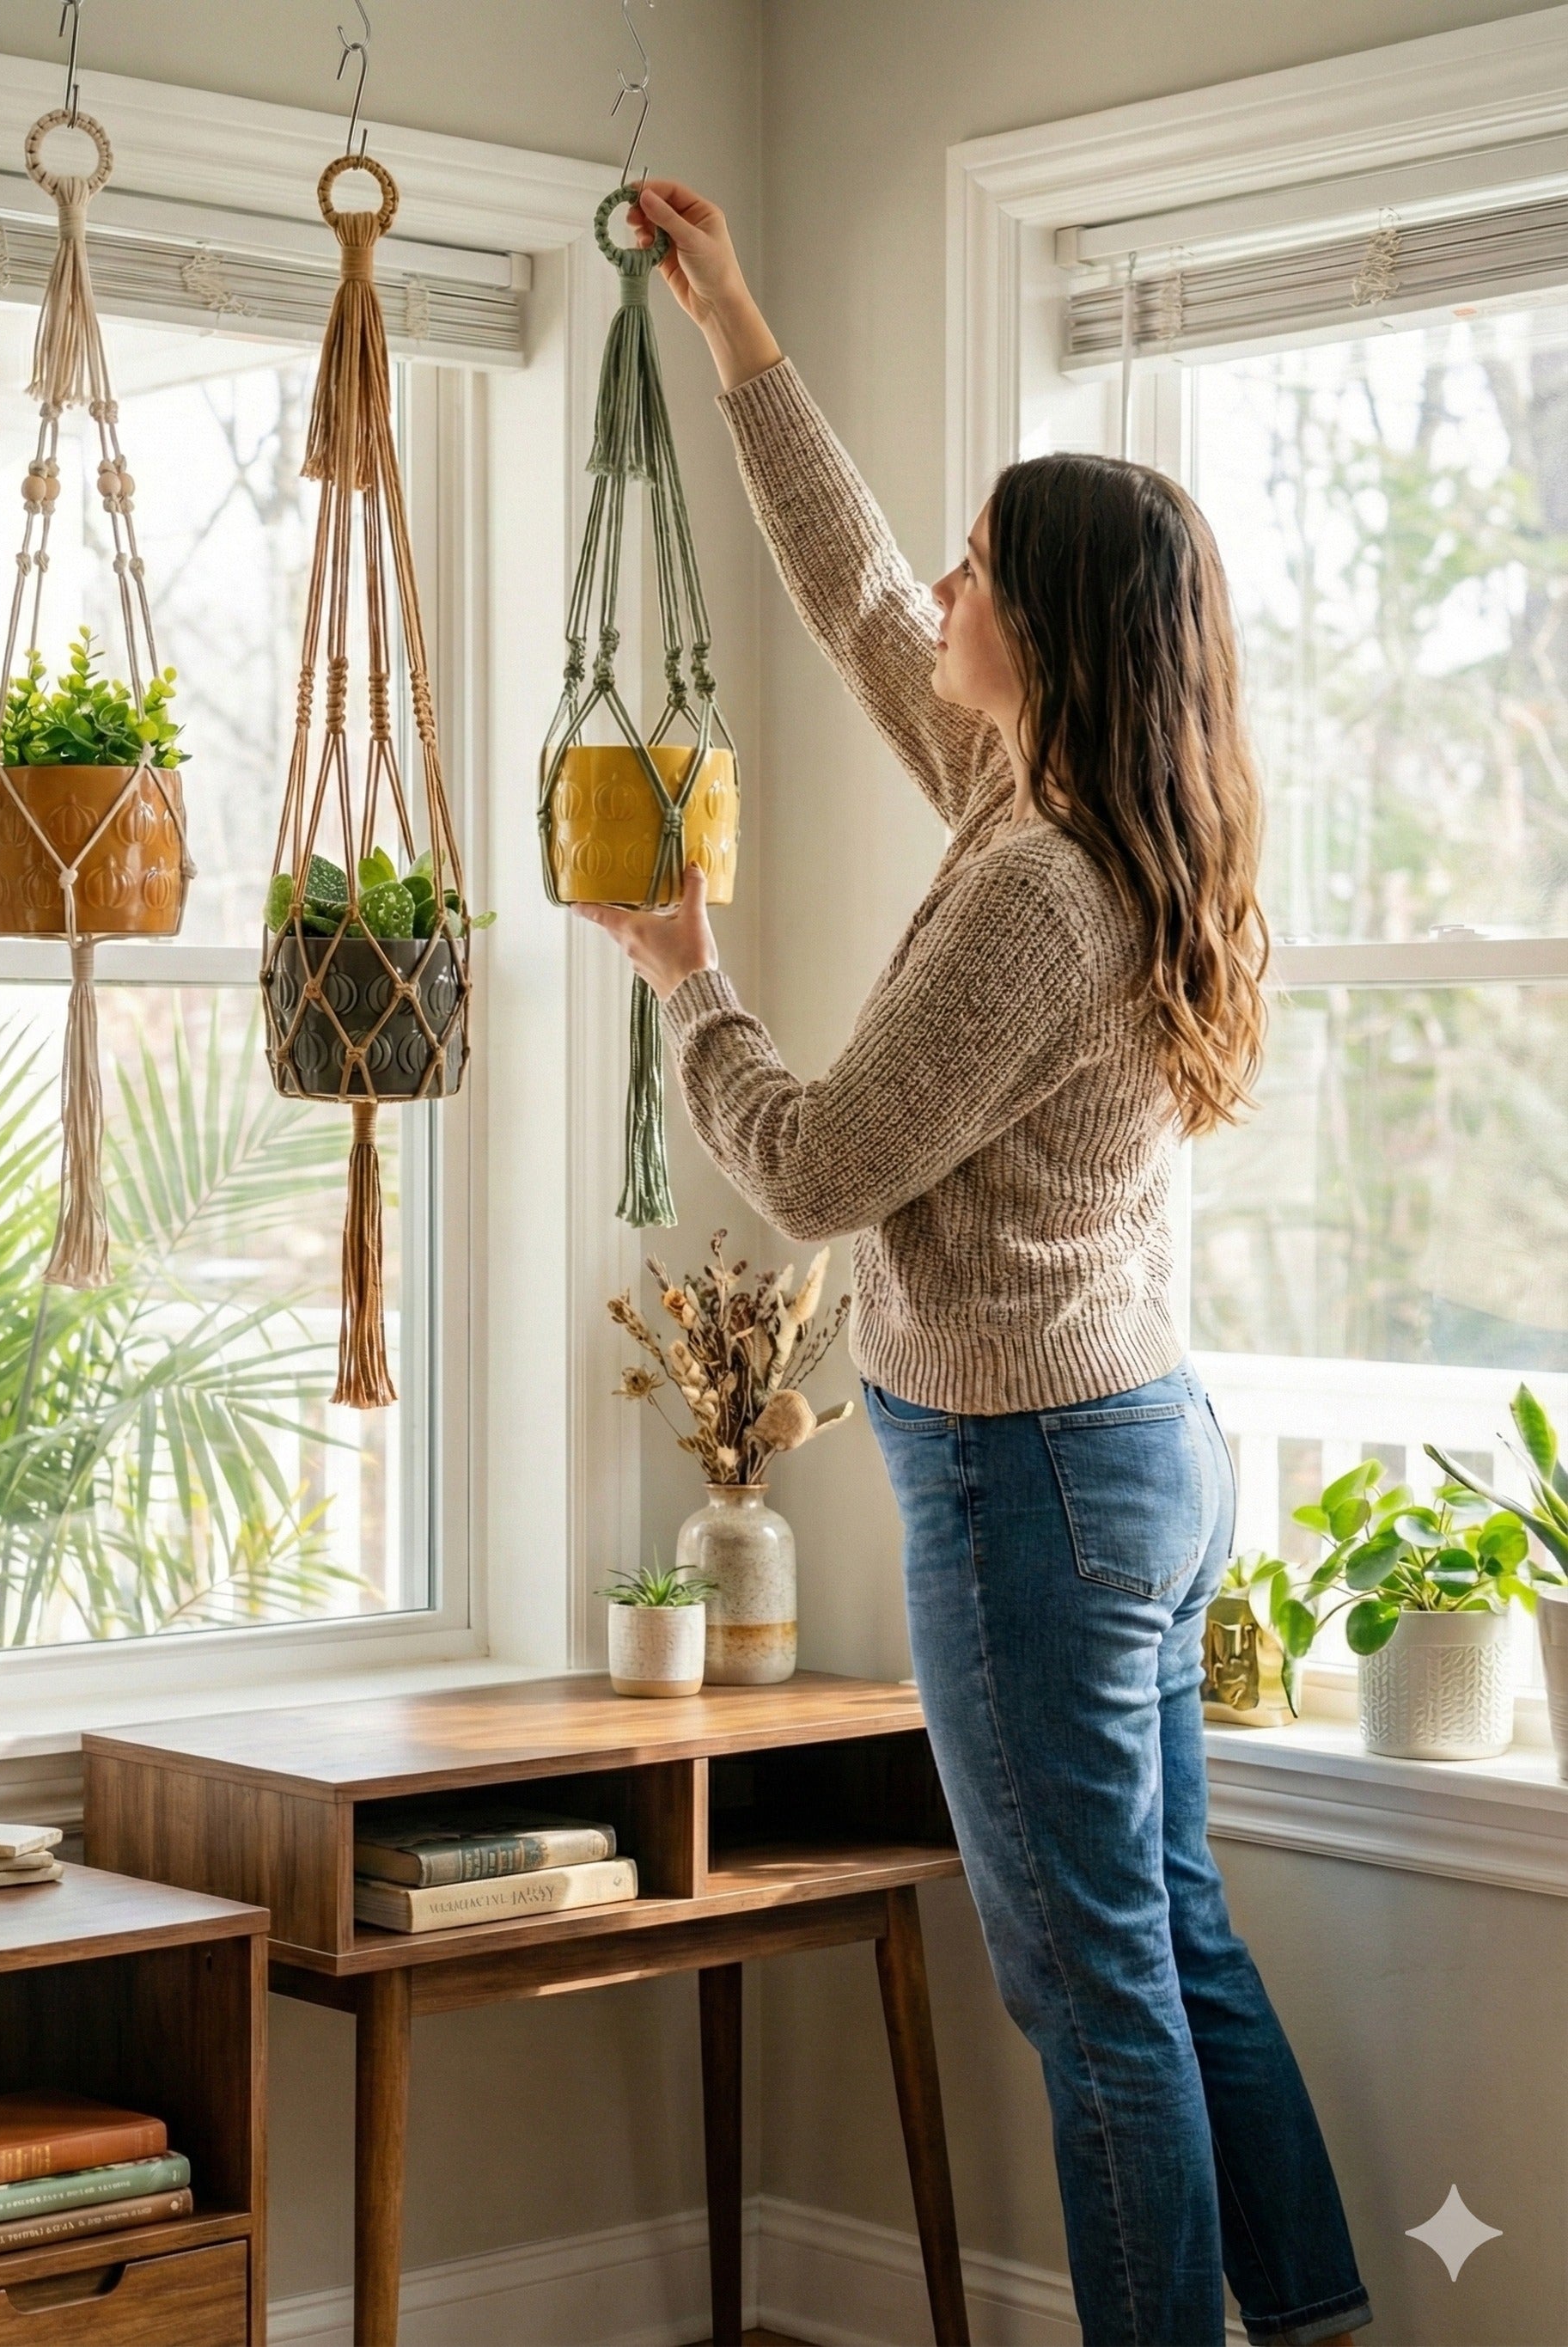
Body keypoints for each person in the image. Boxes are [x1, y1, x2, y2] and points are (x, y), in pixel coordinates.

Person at [577, 179, 1374, 2347]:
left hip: (1031, 1482)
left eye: (980, 568)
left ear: (1045, 629)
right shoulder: (1074, 805)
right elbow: (846, 583)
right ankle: (1306, 2323)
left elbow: (822, 1166)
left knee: (1084, 1981)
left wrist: (688, 981)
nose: (940, 578)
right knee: (1171, 1939)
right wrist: (735, 312)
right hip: (1132, 1451)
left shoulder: (1036, 891)